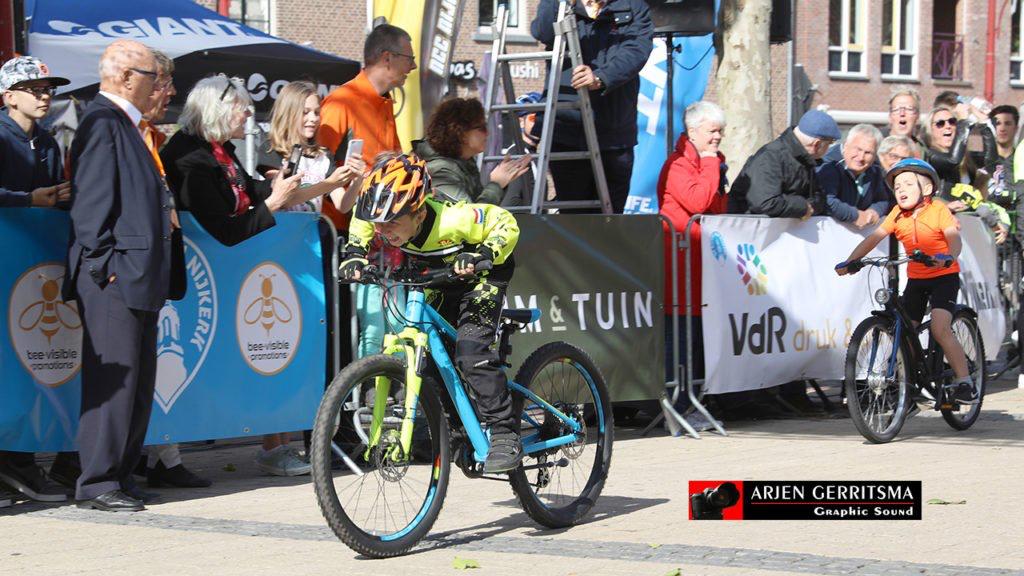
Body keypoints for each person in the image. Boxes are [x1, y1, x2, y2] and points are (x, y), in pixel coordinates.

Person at [339, 153, 523, 472]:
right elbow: (361, 217)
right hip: (436, 274)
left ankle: (506, 433)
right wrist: (354, 253)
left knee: (470, 351)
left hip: (482, 275)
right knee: (430, 356)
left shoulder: (454, 219)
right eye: (380, 222)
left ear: (420, 210)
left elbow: (505, 223)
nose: (384, 230)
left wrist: (483, 253)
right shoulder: (384, 220)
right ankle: (456, 430)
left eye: (393, 221)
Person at [63, 40, 180, 512]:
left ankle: (121, 473)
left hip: (139, 273)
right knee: (113, 385)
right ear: (128, 76)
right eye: (155, 76)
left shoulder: (129, 127)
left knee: (136, 383)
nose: (161, 87)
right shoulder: (102, 121)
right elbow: (90, 207)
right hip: (116, 276)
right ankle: (96, 482)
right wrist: (103, 268)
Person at [253, 80, 366, 475]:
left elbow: (340, 204)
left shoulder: (321, 155)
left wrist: (352, 180)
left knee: (310, 349)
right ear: (289, 112)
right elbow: (285, 198)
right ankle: (272, 444)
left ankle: (312, 440)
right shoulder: (268, 152)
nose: (315, 118)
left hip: (314, 259)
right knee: (275, 345)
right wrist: (330, 183)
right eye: (307, 111)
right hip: (275, 263)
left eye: (317, 111)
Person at [127, 50, 211, 490]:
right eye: (163, 83)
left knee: (154, 371)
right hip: (129, 271)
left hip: (158, 269)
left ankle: (159, 455)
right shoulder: (120, 132)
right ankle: (116, 464)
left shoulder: (153, 137)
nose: (171, 92)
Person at [836, 159, 978, 405]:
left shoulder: (937, 210)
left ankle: (965, 381)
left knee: (939, 327)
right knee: (905, 329)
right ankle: (911, 383)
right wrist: (851, 261)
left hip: (944, 276)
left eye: (908, 184)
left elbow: (954, 239)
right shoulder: (897, 214)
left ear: (927, 190)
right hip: (917, 280)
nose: (900, 189)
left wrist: (948, 256)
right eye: (897, 186)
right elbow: (874, 237)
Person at [318, 23, 412, 369]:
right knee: (362, 331)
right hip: (346, 242)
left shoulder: (383, 104)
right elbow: (319, 173)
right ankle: (355, 407)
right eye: (409, 59)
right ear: (387, 58)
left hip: (384, 246)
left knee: (390, 327)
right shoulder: (342, 102)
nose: (412, 67)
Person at [0, 55, 72, 505]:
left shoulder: (49, 140)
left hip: (32, 270)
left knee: (29, 363)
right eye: (35, 88)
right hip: (6, 267)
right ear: (8, 96)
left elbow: (53, 194)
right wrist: (29, 198)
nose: (45, 96)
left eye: (49, 89)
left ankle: (20, 462)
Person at [530, 0, 654, 213]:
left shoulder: (633, 6)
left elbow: (636, 50)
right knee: (573, 217)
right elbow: (543, 32)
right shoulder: (560, 4)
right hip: (566, 130)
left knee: (610, 217)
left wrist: (601, 77)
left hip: (613, 132)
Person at [160, 75, 310, 247]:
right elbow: (225, 231)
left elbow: (247, 189)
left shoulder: (218, 146)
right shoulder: (189, 156)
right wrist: (274, 201)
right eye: (243, 109)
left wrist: (275, 183)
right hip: (198, 261)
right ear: (221, 112)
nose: (248, 114)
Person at [656, 101, 727, 387]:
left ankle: (696, 397)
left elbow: (717, 208)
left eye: (721, 131)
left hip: (700, 267)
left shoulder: (712, 162)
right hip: (679, 266)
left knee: (698, 339)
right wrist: (711, 162)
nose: (718, 137)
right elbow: (697, 201)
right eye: (713, 130)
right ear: (693, 131)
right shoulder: (678, 165)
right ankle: (679, 400)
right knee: (680, 340)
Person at [411, 97, 530, 204]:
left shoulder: (464, 161)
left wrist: (501, 182)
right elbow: (472, 220)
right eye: (481, 128)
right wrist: (497, 184)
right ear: (460, 132)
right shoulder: (440, 170)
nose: (487, 133)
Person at [728, 109, 840, 218]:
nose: (829, 148)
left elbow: (818, 198)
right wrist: (803, 207)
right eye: (829, 143)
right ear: (817, 144)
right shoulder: (771, 157)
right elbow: (765, 203)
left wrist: (808, 207)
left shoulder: (807, 160)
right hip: (749, 232)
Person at [920, 105, 1006, 243]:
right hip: (937, 235)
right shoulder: (929, 156)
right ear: (929, 131)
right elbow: (952, 160)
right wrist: (963, 121)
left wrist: (983, 124)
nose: (947, 126)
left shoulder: (967, 161)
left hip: (967, 238)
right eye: (940, 124)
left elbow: (992, 164)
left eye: (952, 121)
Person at [817, 124, 890, 228]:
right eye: (858, 149)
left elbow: (882, 199)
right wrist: (855, 216)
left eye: (868, 152)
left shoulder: (875, 170)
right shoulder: (828, 165)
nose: (861, 157)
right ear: (846, 145)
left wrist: (874, 212)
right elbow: (826, 200)